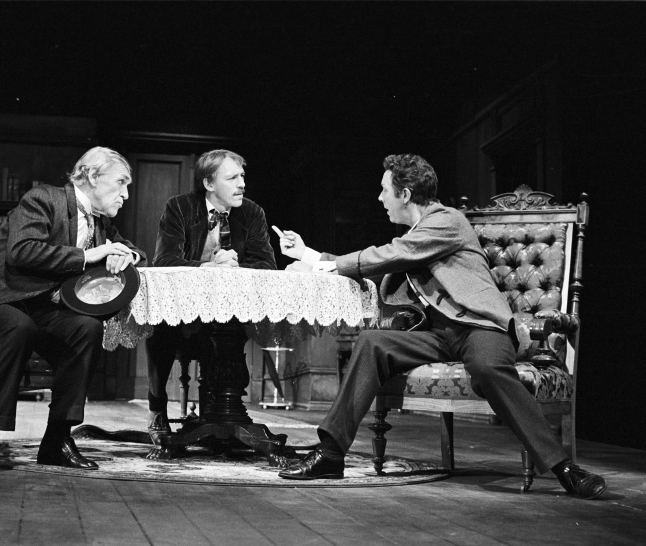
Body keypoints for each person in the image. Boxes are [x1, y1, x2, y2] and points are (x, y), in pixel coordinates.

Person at [273, 153, 607, 499]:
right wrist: (307, 255)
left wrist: (317, 263)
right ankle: (330, 454)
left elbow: (390, 254)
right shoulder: (416, 234)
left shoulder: (447, 220)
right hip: (437, 335)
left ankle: (564, 468)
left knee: (486, 367)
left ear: (405, 194)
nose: (380, 198)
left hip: (480, 327)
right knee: (372, 342)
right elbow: (381, 262)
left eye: (384, 189)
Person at [0, 147, 147, 473]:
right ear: (92, 176)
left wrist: (125, 255)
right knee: (17, 326)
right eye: (121, 183)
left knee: (87, 328)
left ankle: (57, 441)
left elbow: (136, 251)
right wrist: (89, 256)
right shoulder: (44, 199)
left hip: (38, 308)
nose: (125, 194)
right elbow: (22, 251)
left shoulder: (100, 222)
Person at [145, 149, 276, 447]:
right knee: (161, 331)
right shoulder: (180, 207)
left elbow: (267, 265)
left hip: (226, 309)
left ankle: (218, 416)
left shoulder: (252, 212)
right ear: (209, 183)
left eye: (242, 176)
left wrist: (235, 266)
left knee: (225, 336)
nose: (242, 184)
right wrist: (208, 267)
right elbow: (163, 261)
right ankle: (157, 408)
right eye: (232, 178)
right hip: (180, 305)